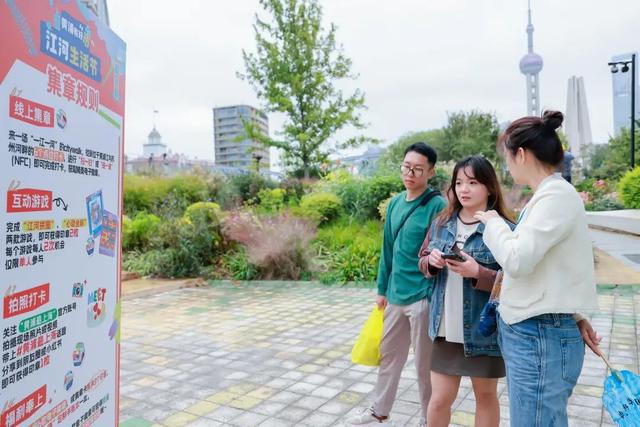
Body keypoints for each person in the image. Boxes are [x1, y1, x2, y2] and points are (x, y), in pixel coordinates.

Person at [474, 111, 601, 427]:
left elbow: (517, 259)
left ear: (520, 153)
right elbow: (556, 265)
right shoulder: (549, 196)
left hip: (540, 335)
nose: (507, 165)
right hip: (541, 331)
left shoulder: (555, 196)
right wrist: (573, 314)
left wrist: (493, 223)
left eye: (507, 156)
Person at [348, 142, 446, 426]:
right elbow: (387, 251)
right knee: (389, 357)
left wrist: (430, 294)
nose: (410, 173)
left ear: (430, 172)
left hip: (422, 297)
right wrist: (382, 290)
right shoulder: (394, 203)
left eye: (417, 169)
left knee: (423, 366)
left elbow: (438, 250)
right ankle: (379, 410)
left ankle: (429, 419)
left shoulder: (436, 205)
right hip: (394, 296)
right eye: (406, 167)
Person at [418, 155, 513, 427]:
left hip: (482, 331)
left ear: (489, 187)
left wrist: (478, 274)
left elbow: (514, 279)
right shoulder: (441, 223)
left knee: (485, 397)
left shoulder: (502, 228)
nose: (464, 189)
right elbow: (421, 260)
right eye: (459, 182)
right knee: (439, 400)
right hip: (444, 329)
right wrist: (432, 262)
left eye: (472, 182)